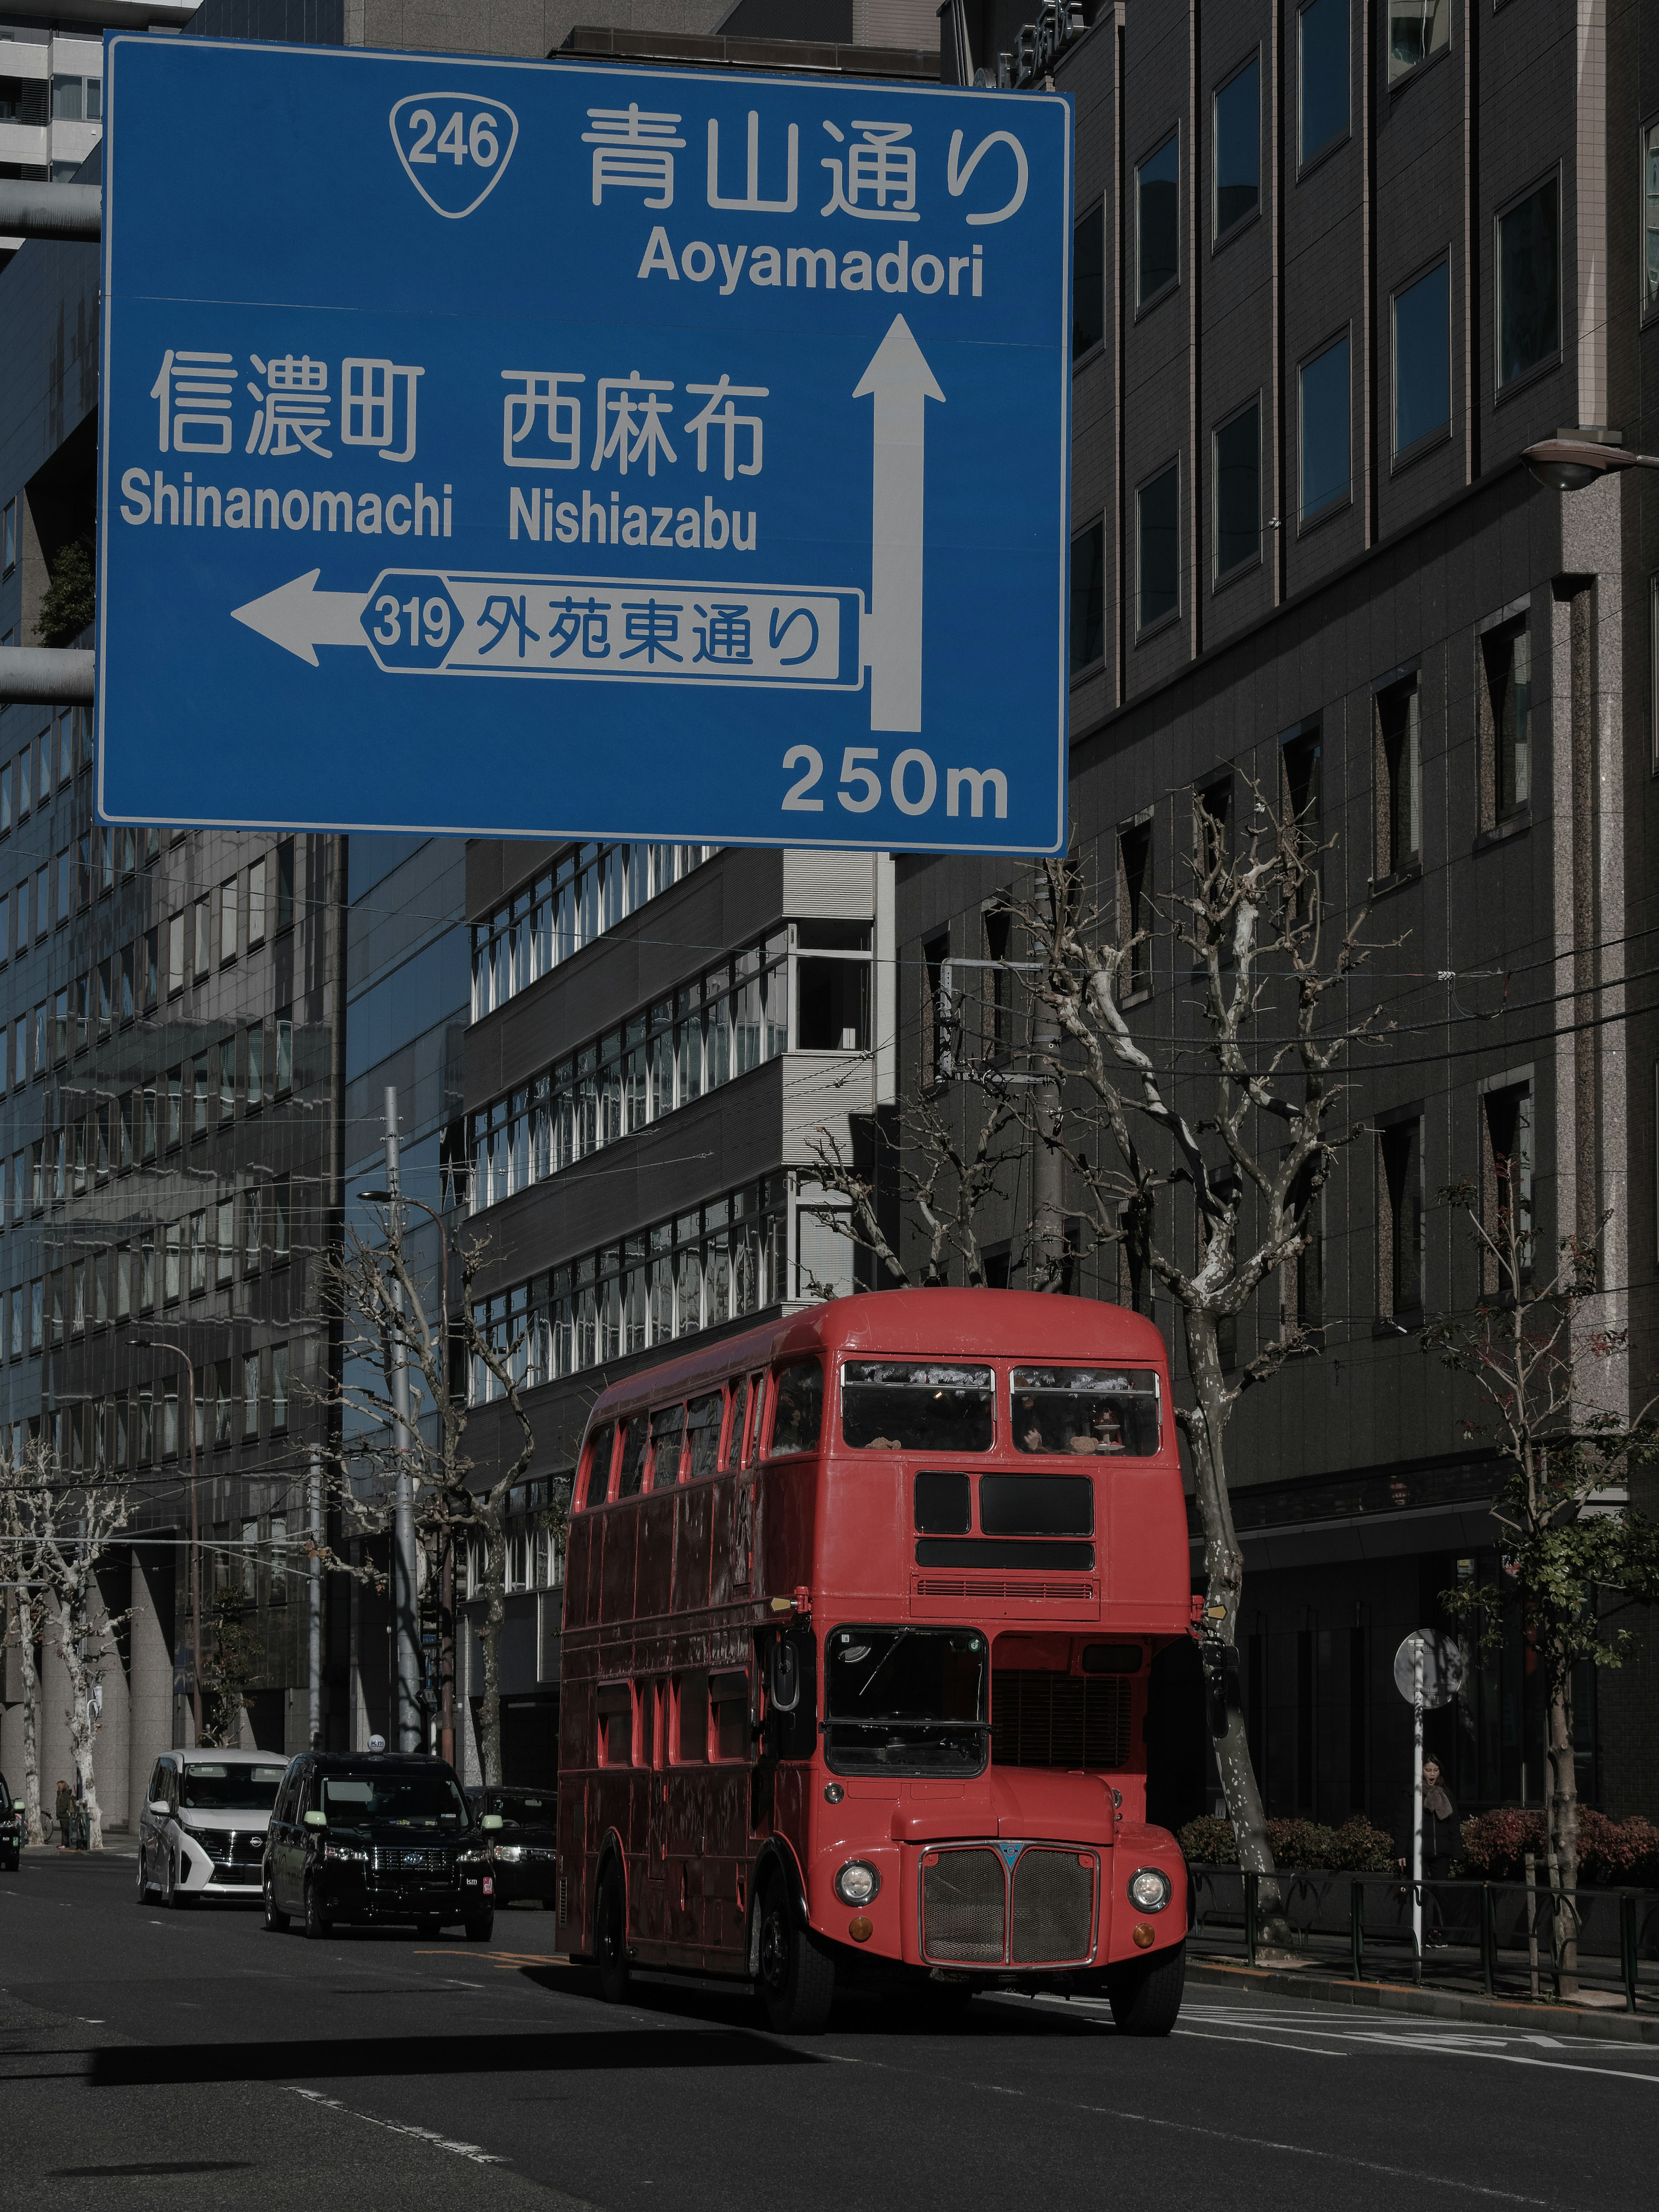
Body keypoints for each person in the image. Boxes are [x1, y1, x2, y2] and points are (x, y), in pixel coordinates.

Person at [1395, 1756, 1459, 1945]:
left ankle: (1439, 1934)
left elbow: (1454, 1825)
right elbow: (1402, 1824)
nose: (1432, 1775)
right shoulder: (1411, 1793)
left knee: (1442, 1894)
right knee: (1418, 1894)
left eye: (1435, 1770)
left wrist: (1457, 1852)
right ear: (1420, 1770)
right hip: (1418, 1852)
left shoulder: (1446, 1793)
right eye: (1428, 1770)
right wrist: (1400, 1852)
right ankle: (1420, 1935)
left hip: (1441, 1852)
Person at [55, 1778, 73, 1853]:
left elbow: (64, 1805)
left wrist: (60, 1812)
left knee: (65, 1830)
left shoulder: (65, 1795)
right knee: (64, 1830)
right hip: (61, 1815)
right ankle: (64, 1843)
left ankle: (65, 1843)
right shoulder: (61, 1795)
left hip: (64, 1815)